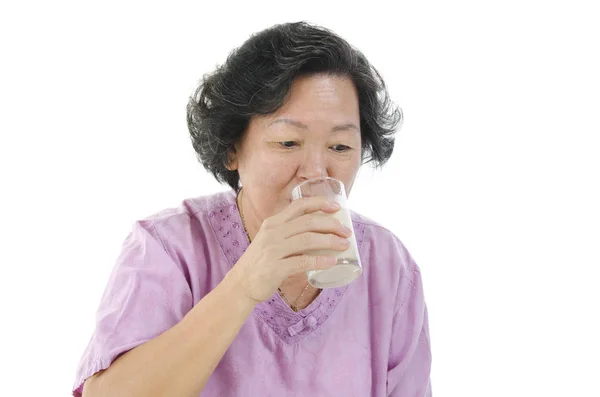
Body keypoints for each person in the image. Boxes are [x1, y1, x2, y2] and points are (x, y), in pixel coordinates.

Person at [73, 21, 432, 397]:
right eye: (288, 142)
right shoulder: (168, 247)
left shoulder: (390, 267)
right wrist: (244, 285)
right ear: (232, 149)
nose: (315, 171)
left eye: (340, 147)